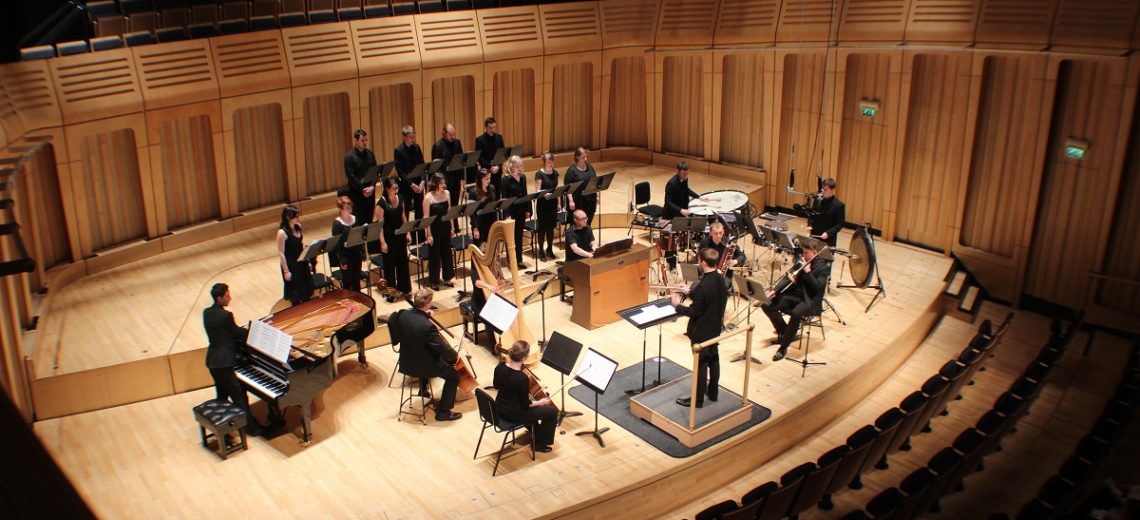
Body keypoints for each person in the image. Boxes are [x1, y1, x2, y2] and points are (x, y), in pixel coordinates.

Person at [670, 248, 729, 408]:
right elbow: (710, 299)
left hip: (702, 331)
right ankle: (713, 392)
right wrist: (690, 292)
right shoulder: (720, 279)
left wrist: (677, 306)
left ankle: (697, 400)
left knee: (701, 364)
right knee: (713, 359)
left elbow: (694, 311)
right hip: (715, 328)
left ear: (703, 262)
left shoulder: (704, 285)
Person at [203, 283, 262, 435]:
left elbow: (224, 332)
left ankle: (225, 429)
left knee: (222, 395)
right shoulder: (225, 316)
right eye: (227, 296)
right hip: (224, 362)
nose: (230, 298)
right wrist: (252, 331)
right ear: (219, 298)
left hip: (212, 361)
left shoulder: (207, 313)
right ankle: (252, 429)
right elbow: (236, 332)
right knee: (239, 397)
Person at [396, 288, 462, 421]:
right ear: (427, 304)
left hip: (406, 360)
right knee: (454, 376)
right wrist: (455, 356)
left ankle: (423, 389)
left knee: (422, 350)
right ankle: (443, 412)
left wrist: (426, 316)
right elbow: (442, 348)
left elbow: (416, 328)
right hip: (422, 366)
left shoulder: (403, 315)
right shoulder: (427, 327)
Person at [762, 239, 831, 362]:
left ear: (814, 253)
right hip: (795, 295)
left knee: (796, 313)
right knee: (767, 305)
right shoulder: (801, 261)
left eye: (806, 253)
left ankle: (783, 347)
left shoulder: (823, 268)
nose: (803, 256)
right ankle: (785, 332)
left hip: (810, 300)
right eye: (803, 252)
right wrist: (775, 290)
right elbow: (787, 277)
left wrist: (808, 271)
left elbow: (816, 289)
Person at [494, 340, 558, 453]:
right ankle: (538, 444)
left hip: (498, 409)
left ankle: (535, 431)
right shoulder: (521, 378)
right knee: (552, 411)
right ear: (524, 358)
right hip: (513, 415)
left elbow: (496, 385)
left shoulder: (500, 367)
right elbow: (525, 404)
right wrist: (541, 402)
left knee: (534, 409)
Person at [375, 177, 410, 302]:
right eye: (393, 188)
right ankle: (391, 293)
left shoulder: (400, 198)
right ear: (387, 189)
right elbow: (379, 225)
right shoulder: (381, 203)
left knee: (402, 262)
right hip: (388, 237)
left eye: (397, 188)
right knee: (390, 265)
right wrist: (382, 242)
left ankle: (404, 289)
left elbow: (403, 216)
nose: (396, 190)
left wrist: (407, 232)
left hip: (400, 234)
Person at [662, 161, 699, 269]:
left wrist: (698, 197)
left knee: (678, 238)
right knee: (671, 241)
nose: (685, 175)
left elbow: (686, 190)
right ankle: (671, 265)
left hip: (679, 213)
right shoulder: (671, 184)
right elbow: (668, 202)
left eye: (687, 173)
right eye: (683, 173)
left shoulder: (684, 179)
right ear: (677, 171)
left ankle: (678, 256)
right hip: (670, 215)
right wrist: (681, 210)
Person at [423, 172, 455, 289]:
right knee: (434, 255)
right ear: (435, 184)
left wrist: (452, 228)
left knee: (446, 252)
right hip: (434, 228)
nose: (444, 185)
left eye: (444, 182)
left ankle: (447, 278)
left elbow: (449, 211)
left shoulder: (447, 193)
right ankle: (434, 281)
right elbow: (426, 217)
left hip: (446, 226)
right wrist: (429, 235)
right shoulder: (428, 197)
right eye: (441, 183)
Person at [431, 123, 466, 234]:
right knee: (446, 205)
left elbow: (461, 161)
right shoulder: (437, 146)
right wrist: (440, 183)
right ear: (444, 133)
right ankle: (448, 226)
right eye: (450, 135)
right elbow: (436, 167)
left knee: (455, 203)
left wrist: (462, 178)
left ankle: (455, 225)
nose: (453, 137)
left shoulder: (457, 143)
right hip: (444, 181)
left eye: (454, 134)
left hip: (455, 179)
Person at [276, 205, 314, 305]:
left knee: (306, 291)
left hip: (301, 261)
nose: (298, 218)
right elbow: (281, 253)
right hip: (291, 264)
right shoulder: (282, 233)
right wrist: (286, 271)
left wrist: (307, 261)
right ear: (288, 217)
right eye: (296, 217)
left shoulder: (298, 227)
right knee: (296, 293)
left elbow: (300, 246)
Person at [343, 129, 377, 226]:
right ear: (355, 140)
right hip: (357, 195)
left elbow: (375, 172)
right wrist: (363, 190)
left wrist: (372, 186)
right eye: (362, 140)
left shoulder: (370, 154)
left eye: (366, 140)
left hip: (370, 193)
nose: (365, 142)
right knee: (358, 222)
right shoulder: (349, 157)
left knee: (369, 220)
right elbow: (351, 176)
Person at [500, 155, 529, 268]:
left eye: (520, 166)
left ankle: (519, 260)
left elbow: (526, 194)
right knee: (510, 238)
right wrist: (507, 215)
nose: (519, 168)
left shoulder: (523, 177)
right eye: (517, 166)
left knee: (519, 236)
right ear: (511, 166)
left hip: (521, 210)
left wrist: (528, 209)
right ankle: (511, 261)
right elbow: (505, 199)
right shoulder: (505, 179)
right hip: (510, 212)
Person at [329, 195, 363, 291]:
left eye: (350, 207)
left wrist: (362, 251)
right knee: (347, 282)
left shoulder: (355, 219)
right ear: (341, 209)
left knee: (356, 280)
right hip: (346, 257)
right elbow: (337, 245)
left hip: (356, 254)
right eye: (347, 207)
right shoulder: (337, 224)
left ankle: (358, 303)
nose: (350, 209)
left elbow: (359, 236)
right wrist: (341, 260)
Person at [394, 125, 426, 222]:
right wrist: (411, 184)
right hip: (406, 185)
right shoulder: (398, 150)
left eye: (413, 137)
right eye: (410, 137)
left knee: (420, 211)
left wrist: (423, 181)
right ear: (404, 137)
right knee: (406, 211)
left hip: (418, 184)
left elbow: (422, 165)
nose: (413, 139)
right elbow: (400, 171)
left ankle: (420, 236)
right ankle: (406, 235)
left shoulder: (417, 147)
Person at [699, 221, 745, 286]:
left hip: (725, 274)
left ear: (723, 231)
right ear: (711, 233)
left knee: (719, 288)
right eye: (715, 233)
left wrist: (735, 261)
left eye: (720, 233)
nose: (718, 236)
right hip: (708, 272)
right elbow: (700, 258)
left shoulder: (729, 242)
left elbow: (742, 256)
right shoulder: (705, 242)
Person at [533, 152, 560, 261]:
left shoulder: (555, 173)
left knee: (551, 228)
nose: (550, 163)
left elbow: (556, 189)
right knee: (542, 229)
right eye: (548, 161)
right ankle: (541, 251)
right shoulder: (539, 174)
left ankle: (549, 249)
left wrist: (558, 203)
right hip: (543, 204)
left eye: (551, 161)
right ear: (544, 162)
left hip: (553, 203)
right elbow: (537, 191)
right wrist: (545, 194)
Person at [807, 177, 845, 248]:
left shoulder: (839, 205)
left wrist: (828, 233)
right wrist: (810, 225)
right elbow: (811, 214)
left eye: (825, 190)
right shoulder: (818, 200)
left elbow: (840, 224)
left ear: (832, 190)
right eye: (822, 189)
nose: (823, 191)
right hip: (814, 236)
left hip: (828, 240)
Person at [564, 147, 597, 225]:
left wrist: (598, 196)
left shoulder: (590, 167)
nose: (585, 159)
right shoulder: (571, 170)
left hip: (590, 201)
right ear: (577, 157)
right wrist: (571, 201)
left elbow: (595, 182)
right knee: (577, 226)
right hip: (578, 201)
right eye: (583, 157)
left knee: (588, 224)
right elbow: (568, 188)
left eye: (586, 157)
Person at [475, 116, 505, 196]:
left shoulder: (499, 138)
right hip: (486, 173)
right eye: (490, 128)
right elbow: (479, 157)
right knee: (488, 195)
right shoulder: (480, 140)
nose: (493, 130)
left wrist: (498, 166)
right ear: (486, 127)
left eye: (494, 127)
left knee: (498, 194)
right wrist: (490, 167)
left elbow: (503, 154)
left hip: (498, 171)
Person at [468, 169, 497, 246]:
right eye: (486, 179)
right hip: (479, 223)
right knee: (478, 248)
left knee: (491, 247)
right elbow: (471, 212)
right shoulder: (473, 192)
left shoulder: (492, 188)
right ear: (480, 179)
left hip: (491, 221)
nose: (489, 180)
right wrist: (475, 228)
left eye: (489, 178)